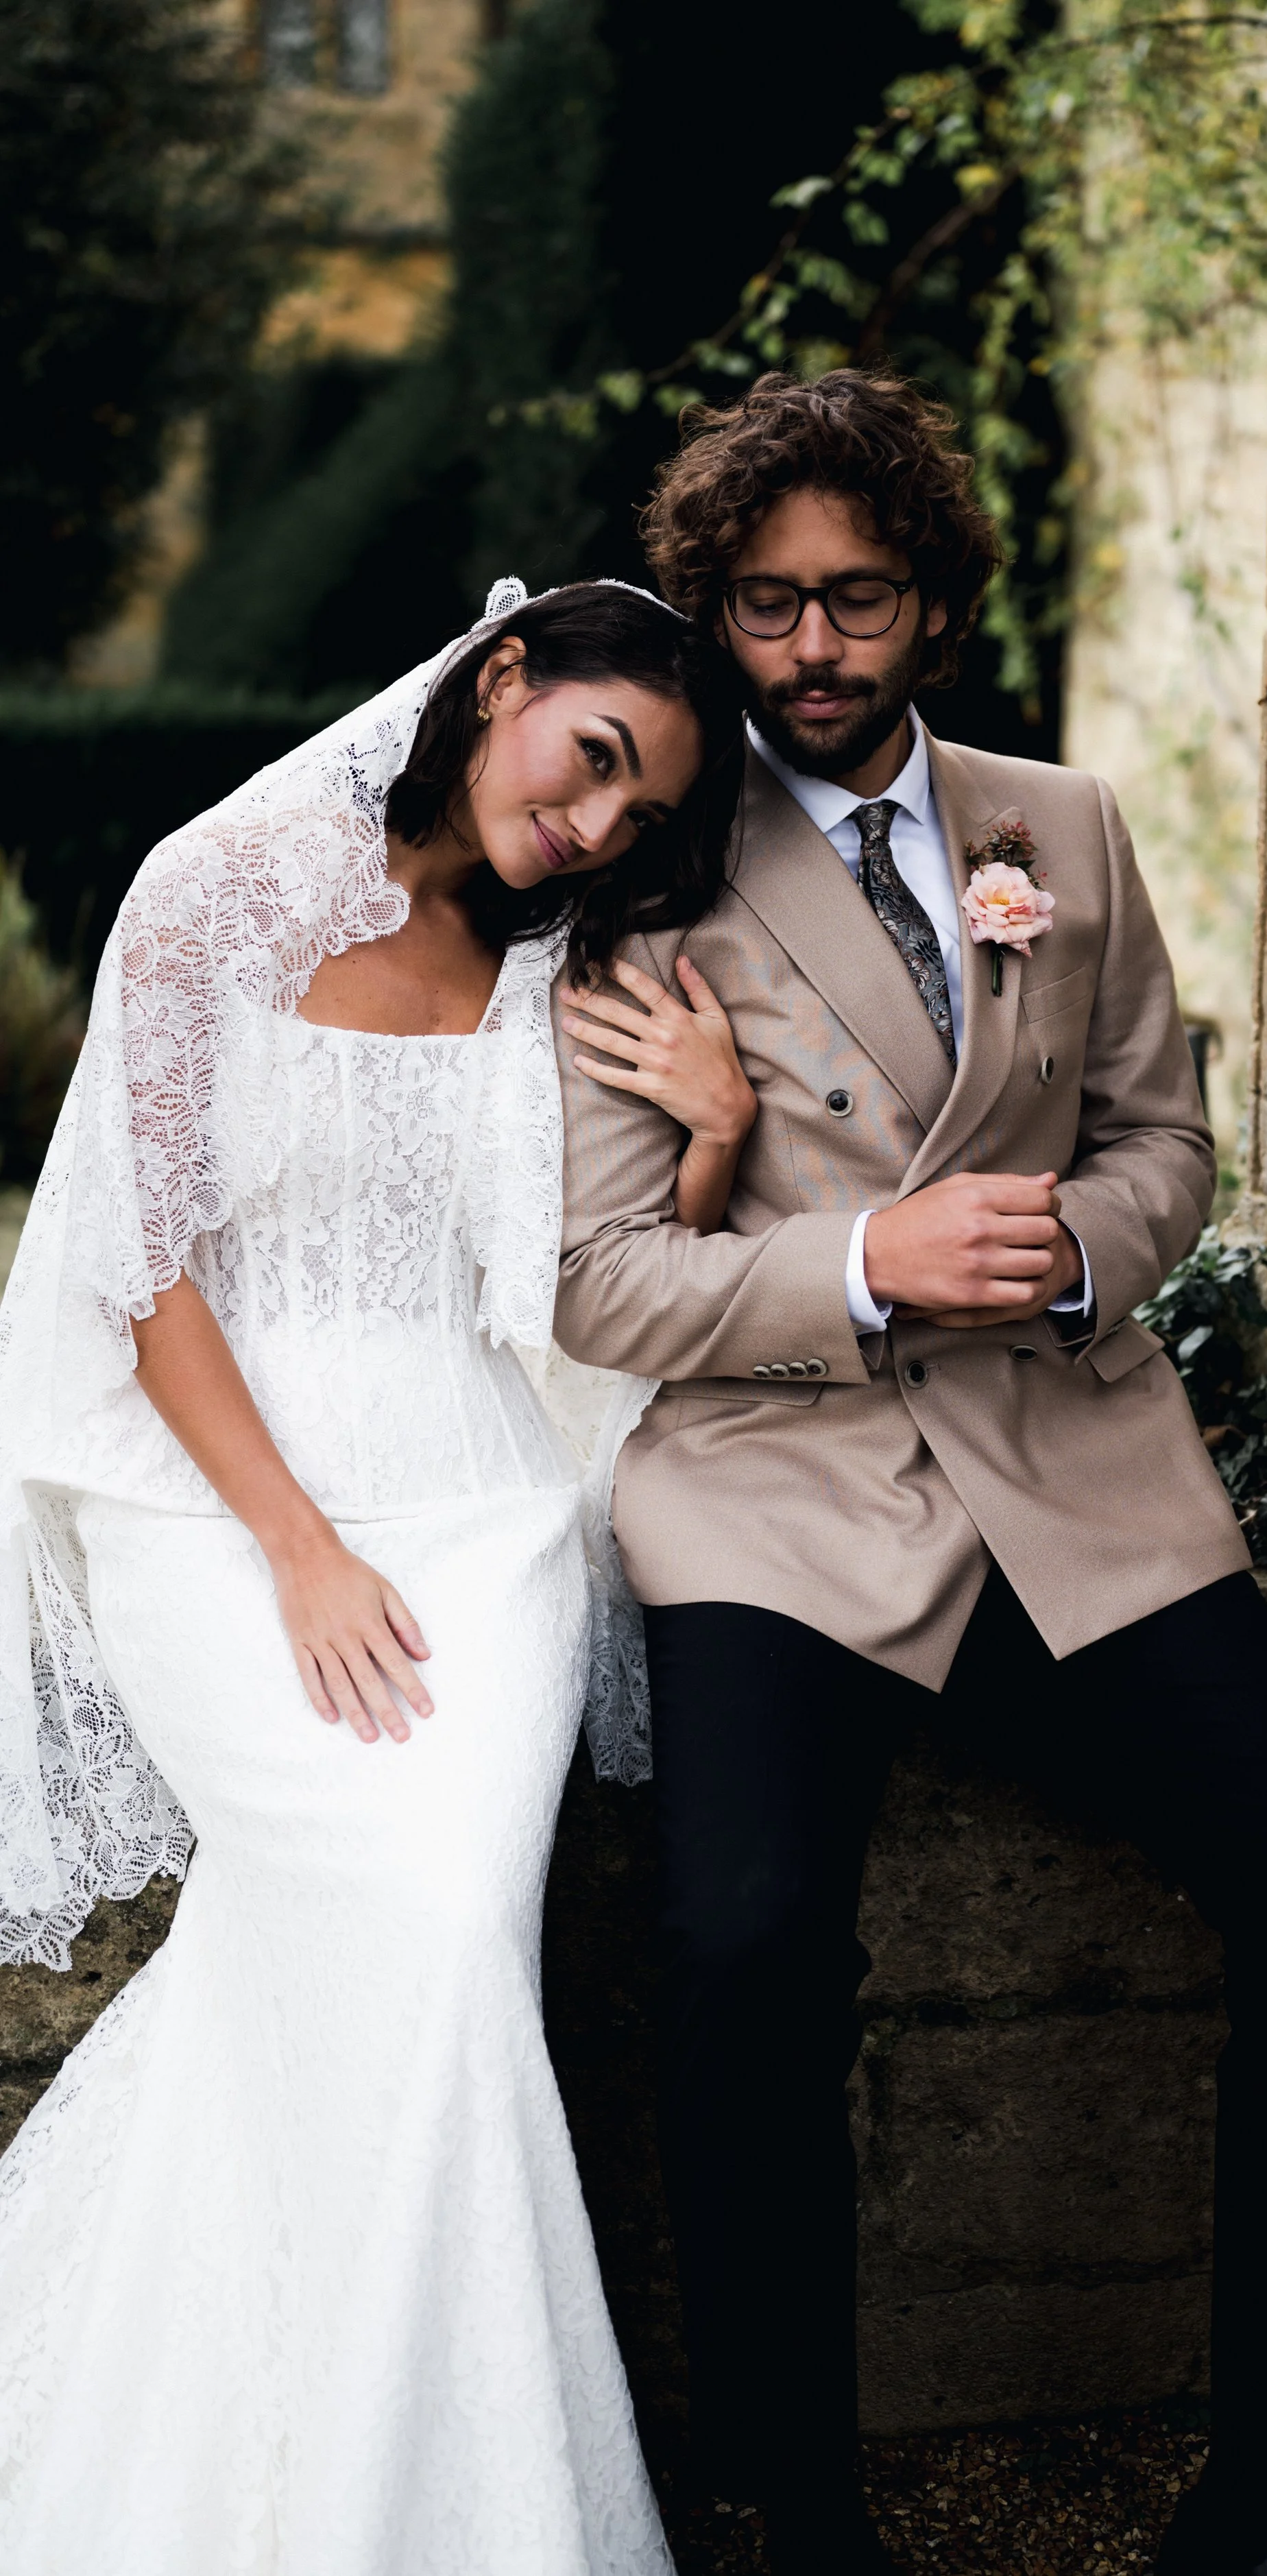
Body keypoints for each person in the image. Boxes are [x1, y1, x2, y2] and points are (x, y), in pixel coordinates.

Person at [552, 372, 1267, 2576]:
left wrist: (1070, 1262)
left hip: (1068, 1465)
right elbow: (598, 1283)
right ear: (712, 616)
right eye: (763, 607)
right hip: (781, 1493)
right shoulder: (642, 858)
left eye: (855, 598)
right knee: (744, 1942)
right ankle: (796, 2503)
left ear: (935, 599)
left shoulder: (1066, 821)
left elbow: (1161, 1138)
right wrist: (865, 1253)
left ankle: (1266, 2487)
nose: (812, 650)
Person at [0, 577, 758, 2576]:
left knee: (431, 1955)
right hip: (213, 1505)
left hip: (484, 1520)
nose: (596, 828)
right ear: (502, 679)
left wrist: (712, 1132)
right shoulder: (217, 881)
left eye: (640, 812)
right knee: (392, 1947)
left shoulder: (557, 961)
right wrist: (300, 1546)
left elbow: (603, 1290)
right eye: (592, 758)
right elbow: (136, 1260)